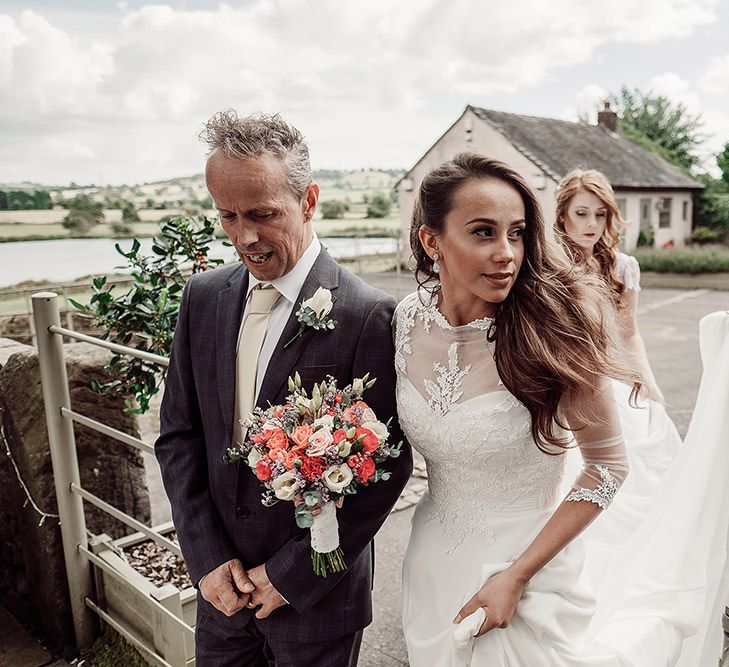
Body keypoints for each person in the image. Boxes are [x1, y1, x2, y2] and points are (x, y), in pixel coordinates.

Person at [395, 152, 726, 666]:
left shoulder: (555, 329)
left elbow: (608, 467)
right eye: (483, 232)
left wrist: (518, 575)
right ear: (431, 241)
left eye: (518, 232)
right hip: (431, 558)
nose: (507, 253)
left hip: (525, 572)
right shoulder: (405, 321)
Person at [155, 110, 412, 667]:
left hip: (316, 599)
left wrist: (292, 574)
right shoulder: (202, 297)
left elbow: (386, 469)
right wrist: (206, 558)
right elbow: (178, 435)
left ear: (310, 200)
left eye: (263, 214)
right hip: (222, 596)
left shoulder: (367, 316)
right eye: (227, 215)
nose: (245, 236)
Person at [554, 168, 682, 553]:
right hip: (572, 387)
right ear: (562, 215)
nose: (592, 224)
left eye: (601, 214)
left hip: (618, 381)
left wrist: (648, 382)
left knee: (648, 455)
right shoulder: (549, 268)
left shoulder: (623, 267)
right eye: (582, 213)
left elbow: (629, 334)